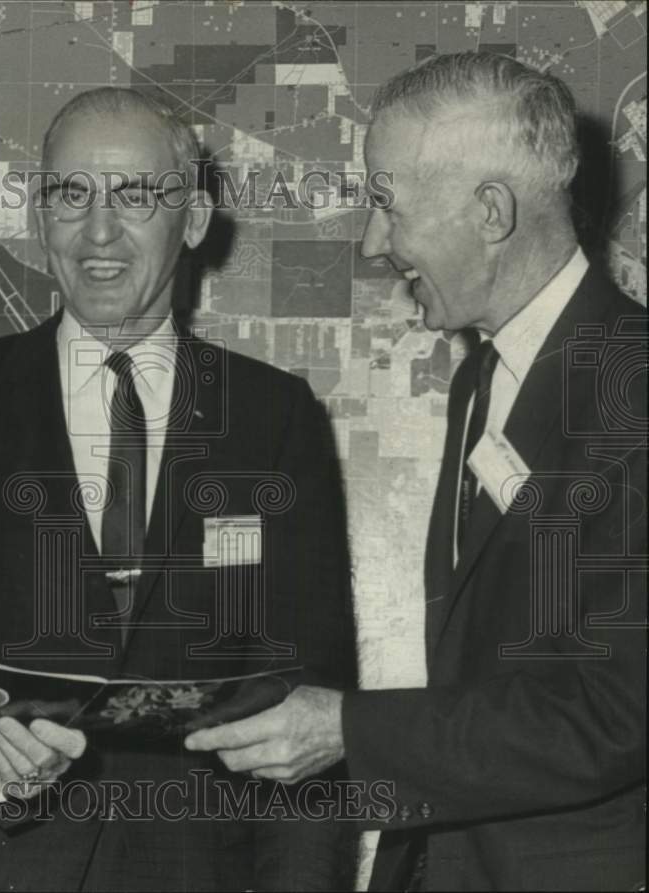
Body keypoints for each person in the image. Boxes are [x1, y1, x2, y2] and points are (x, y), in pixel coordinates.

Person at [185, 52, 647, 892]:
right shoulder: (484, 376)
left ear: (492, 211)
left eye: (388, 205)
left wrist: (351, 730)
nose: (372, 243)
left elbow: (617, 713)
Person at [0, 87, 357, 891]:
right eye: (71, 194)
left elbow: (306, 698)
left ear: (197, 218)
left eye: (137, 196)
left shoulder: (272, 417)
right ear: (40, 217)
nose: (98, 229)